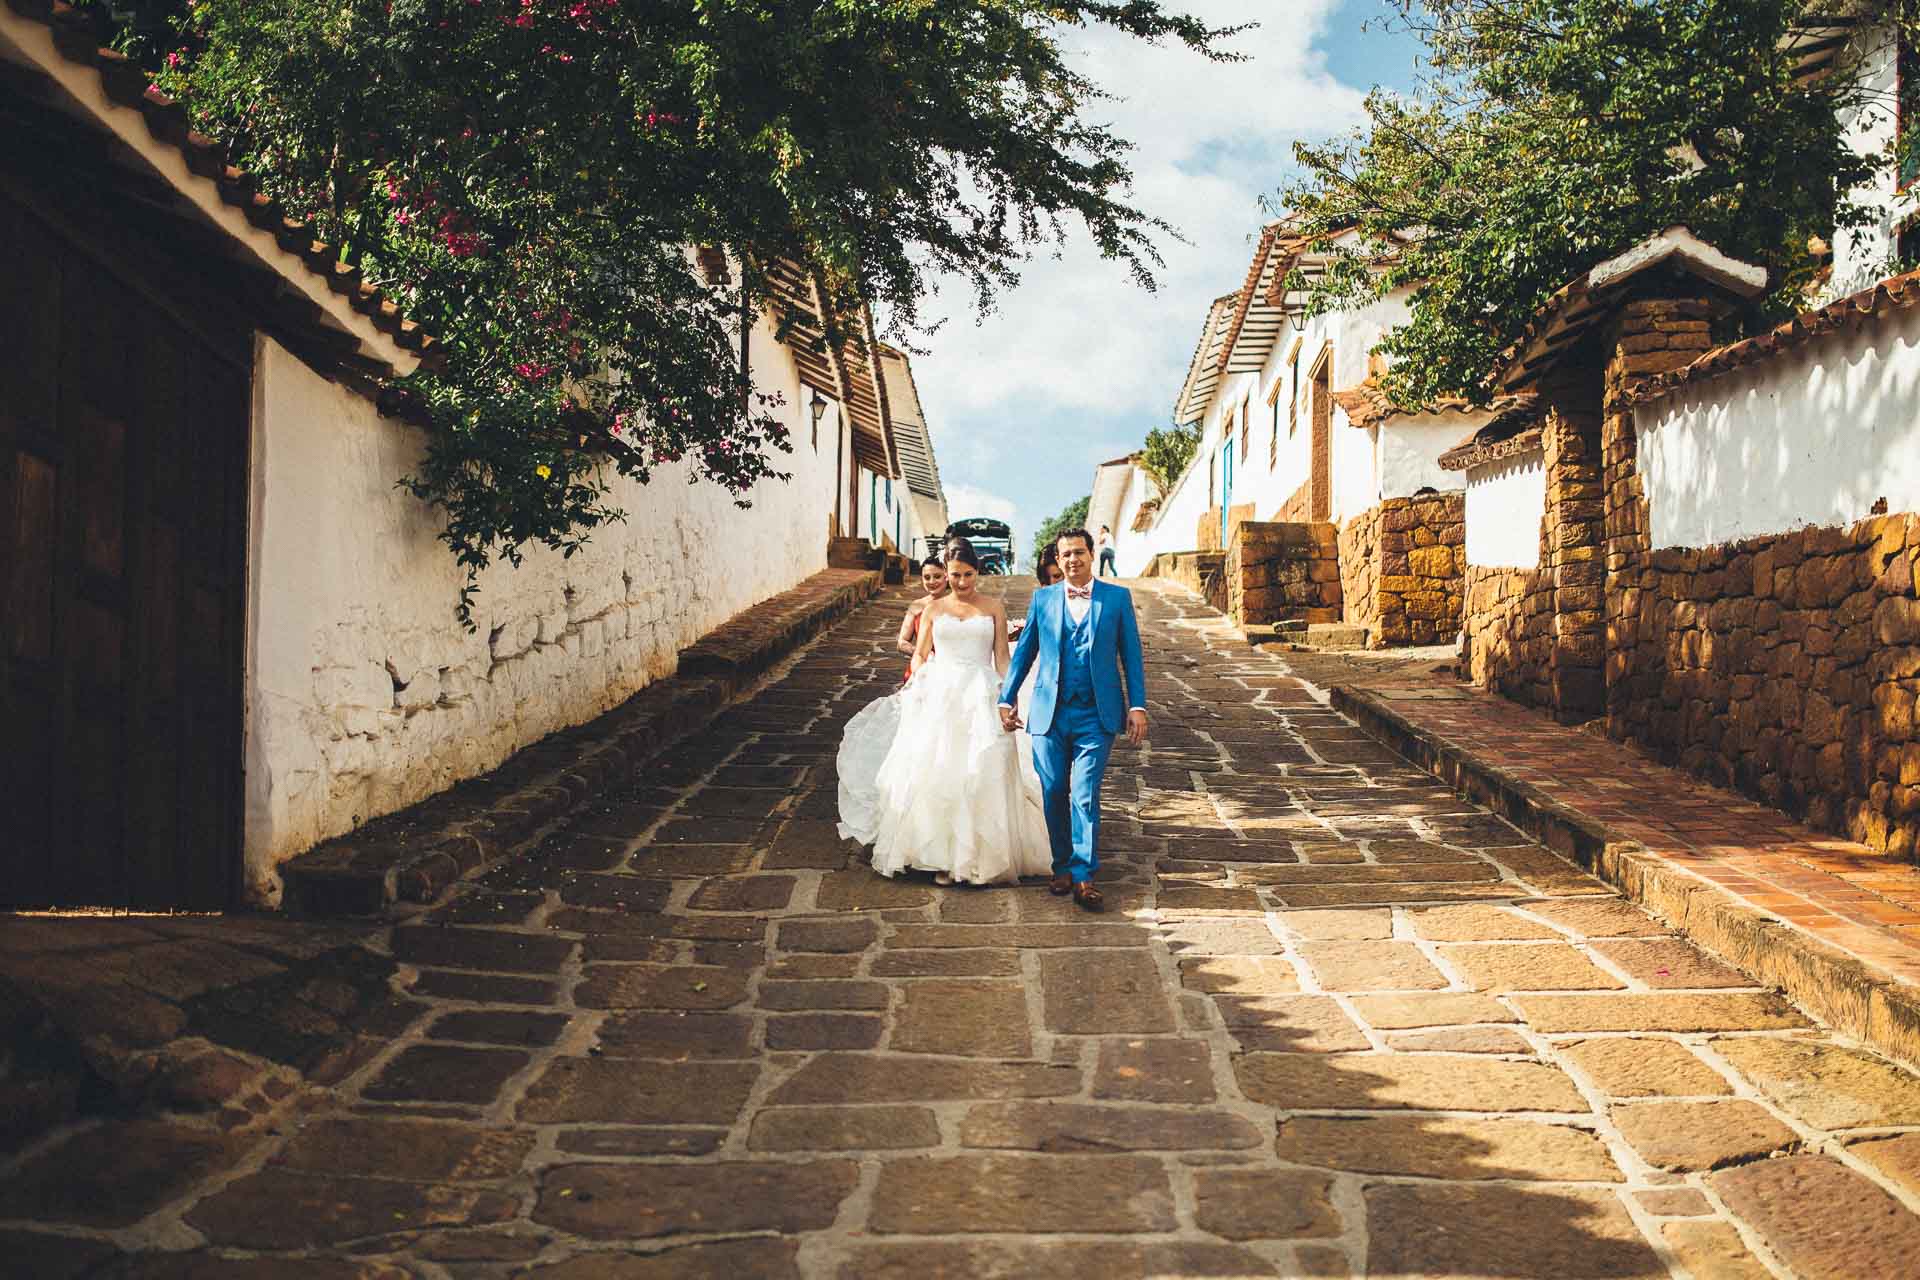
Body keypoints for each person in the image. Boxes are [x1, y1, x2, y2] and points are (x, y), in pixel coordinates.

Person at [837, 542, 1052, 886]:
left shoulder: (993, 607)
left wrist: (1007, 696)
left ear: (977, 572)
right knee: (939, 766)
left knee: (982, 765)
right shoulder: (934, 609)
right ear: (946, 573)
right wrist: (920, 684)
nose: (962, 582)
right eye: (955, 575)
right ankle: (939, 855)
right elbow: (920, 653)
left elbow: (1001, 657)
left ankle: (980, 856)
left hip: (981, 691)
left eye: (968, 575)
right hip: (941, 689)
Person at [999, 528, 1147, 912]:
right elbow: (1025, 652)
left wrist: (1137, 706)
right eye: (1065, 555)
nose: (1072, 560)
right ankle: (1061, 865)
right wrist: (1007, 696)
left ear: (1092, 554)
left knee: (1083, 792)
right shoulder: (1043, 599)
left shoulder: (1117, 598)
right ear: (1058, 559)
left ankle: (1083, 874)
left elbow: (1130, 656)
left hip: (1096, 714)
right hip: (1050, 712)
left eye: (1079, 553)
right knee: (1052, 792)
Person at [897, 558, 949, 682]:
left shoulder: (958, 604)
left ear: (946, 576)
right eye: (926, 577)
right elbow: (902, 642)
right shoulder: (917, 605)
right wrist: (922, 654)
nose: (932, 581)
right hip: (922, 666)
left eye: (937, 576)